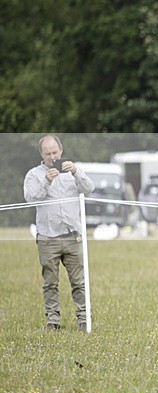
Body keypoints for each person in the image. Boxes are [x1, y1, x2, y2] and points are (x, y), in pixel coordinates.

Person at [23, 135, 95, 331]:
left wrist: (76, 172)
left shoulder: (71, 170)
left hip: (73, 236)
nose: (52, 157)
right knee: (50, 283)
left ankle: (84, 320)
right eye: (48, 154)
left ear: (61, 150)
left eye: (55, 152)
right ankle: (53, 322)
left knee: (79, 282)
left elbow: (89, 188)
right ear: (42, 154)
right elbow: (31, 198)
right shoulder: (33, 175)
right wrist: (46, 181)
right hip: (48, 238)